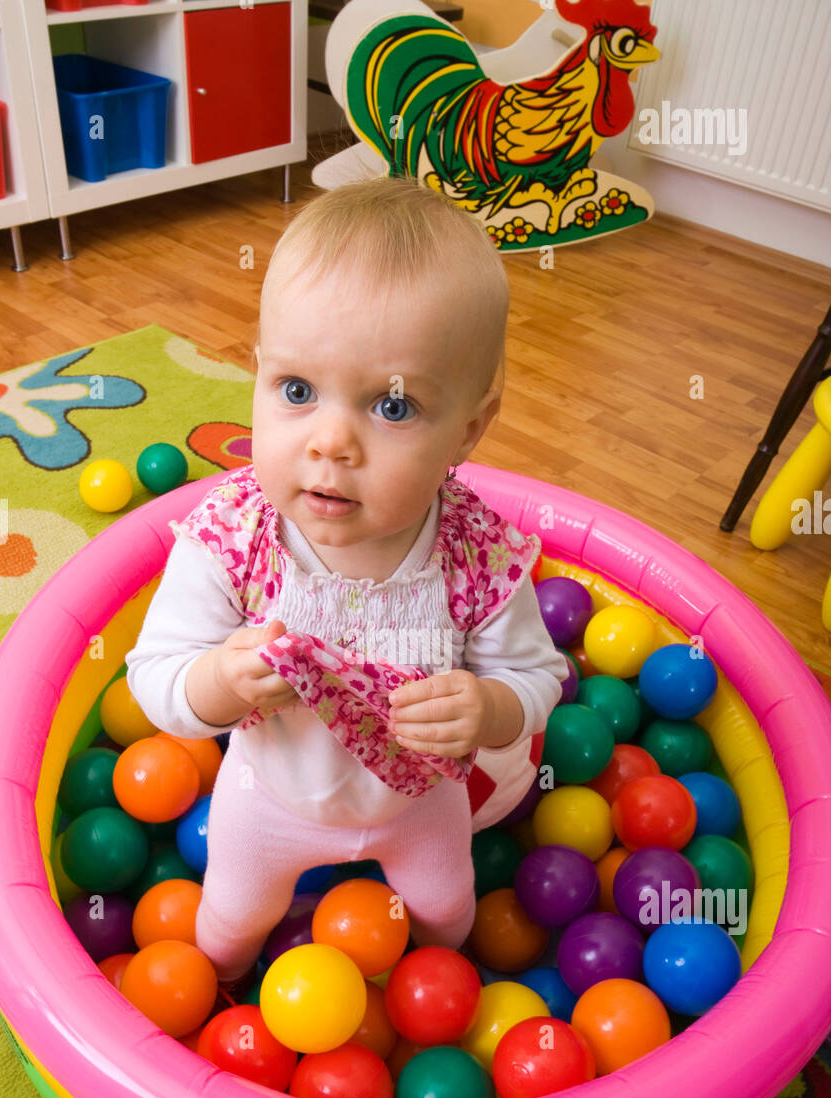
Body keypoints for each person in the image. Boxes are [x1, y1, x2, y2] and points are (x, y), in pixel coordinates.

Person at [126, 177, 569, 986]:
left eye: (392, 408)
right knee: (226, 920)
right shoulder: (232, 539)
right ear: (257, 376)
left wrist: (490, 707)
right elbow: (155, 677)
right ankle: (221, 998)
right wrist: (222, 681)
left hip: (420, 804)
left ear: (469, 429)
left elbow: (538, 675)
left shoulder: (477, 554)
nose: (331, 441)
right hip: (269, 799)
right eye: (297, 392)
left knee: (448, 913)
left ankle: (442, 1003)